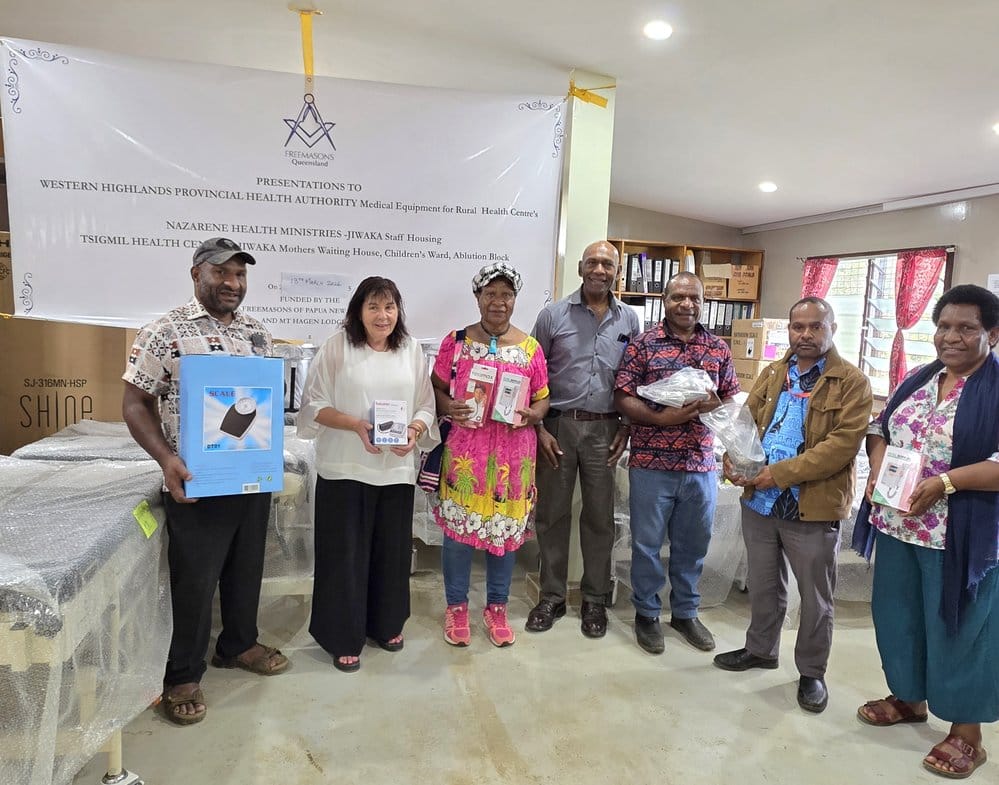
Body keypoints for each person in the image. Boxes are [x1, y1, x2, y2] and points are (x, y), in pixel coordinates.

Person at [122, 237, 289, 726]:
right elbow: (135, 404)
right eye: (221, 273)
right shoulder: (164, 332)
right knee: (194, 580)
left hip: (249, 476)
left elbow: (261, 405)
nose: (232, 283)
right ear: (196, 274)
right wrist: (165, 459)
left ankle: (237, 644)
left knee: (247, 566)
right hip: (195, 480)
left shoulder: (258, 334)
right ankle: (182, 675)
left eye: (240, 274)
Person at [855, 284, 999, 779]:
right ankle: (910, 698)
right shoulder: (919, 378)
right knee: (899, 617)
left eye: (966, 328)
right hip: (898, 524)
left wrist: (946, 482)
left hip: (959, 538)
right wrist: (876, 468)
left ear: (993, 335)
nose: (950, 337)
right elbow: (880, 427)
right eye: (943, 326)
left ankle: (967, 732)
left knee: (960, 628)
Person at [714, 297, 872, 714]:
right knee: (765, 586)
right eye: (796, 326)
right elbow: (744, 423)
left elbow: (839, 449)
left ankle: (811, 673)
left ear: (831, 328)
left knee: (816, 598)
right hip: (761, 505)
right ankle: (761, 649)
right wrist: (732, 457)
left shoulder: (851, 382)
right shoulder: (774, 373)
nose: (804, 334)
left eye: (814, 326)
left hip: (811, 507)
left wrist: (778, 474)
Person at [297, 277, 439, 673]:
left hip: (394, 470)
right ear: (358, 311)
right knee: (344, 556)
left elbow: (425, 406)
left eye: (390, 307)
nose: (383, 315)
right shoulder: (336, 347)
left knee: (391, 554)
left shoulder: (411, 351)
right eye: (374, 307)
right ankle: (342, 636)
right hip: (344, 470)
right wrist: (356, 424)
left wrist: (413, 431)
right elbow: (313, 407)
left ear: (399, 311)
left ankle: (386, 624)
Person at [614, 272, 739, 654]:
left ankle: (685, 613)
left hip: (700, 465)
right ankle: (647, 614)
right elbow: (622, 396)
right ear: (664, 300)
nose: (687, 304)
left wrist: (716, 405)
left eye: (694, 298)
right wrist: (661, 418)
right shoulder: (643, 345)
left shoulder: (717, 348)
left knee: (693, 545)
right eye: (678, 297)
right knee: (648, 545)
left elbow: (732, 401)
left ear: (703, 302)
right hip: (652, 462)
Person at [431, 262, 550, 648]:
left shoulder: (531, 348)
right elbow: (435, 388)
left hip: (514, 458)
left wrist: (534, 415)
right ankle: (457, 607)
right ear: (478, 297)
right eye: (491, 294)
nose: (499, 302)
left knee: (505, 533)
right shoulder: (457, 342)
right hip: (467, 453)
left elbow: (543, 400)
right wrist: (449, 407)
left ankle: (496, 607)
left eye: (507, 295)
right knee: (459, 536)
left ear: (516, 300)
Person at [527, 240, 640, 637]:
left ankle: (594, 599)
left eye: (607, 264)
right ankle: (552, 596)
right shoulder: (552, 315)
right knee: (552, 514)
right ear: (580, 268)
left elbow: (633, 380)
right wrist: (539, 428)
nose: (599, 269)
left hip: (606, 430)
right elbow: (532, 378)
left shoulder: (630, 321)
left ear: (617, 272)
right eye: (592, 262)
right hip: (557, 427)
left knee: (599, 519)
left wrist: (626, 428)